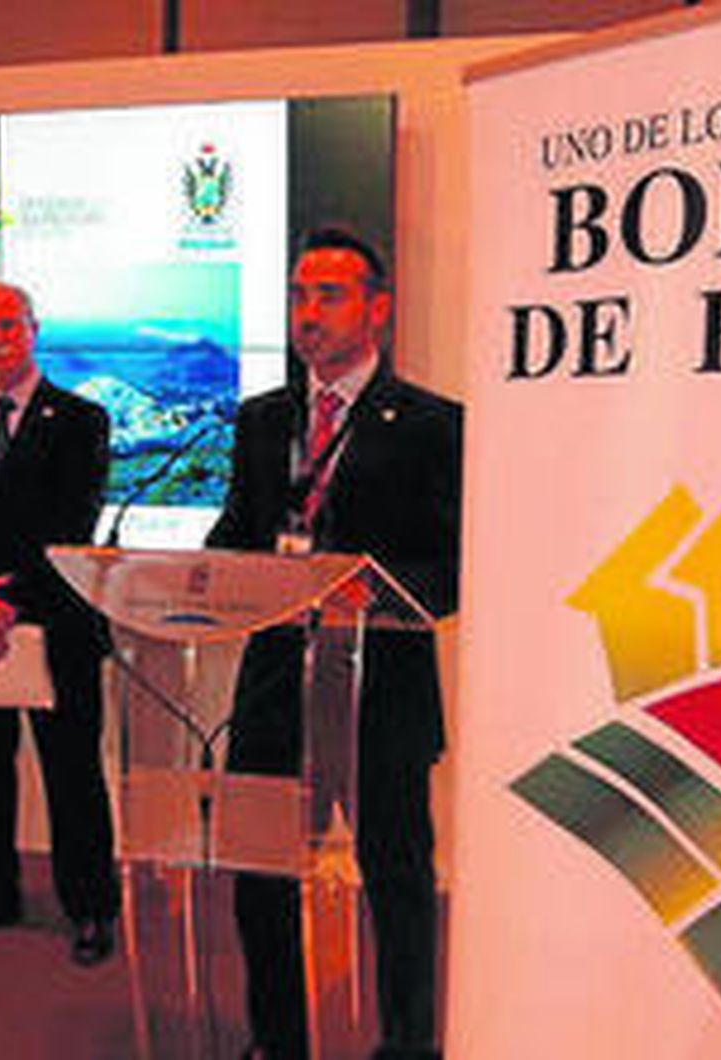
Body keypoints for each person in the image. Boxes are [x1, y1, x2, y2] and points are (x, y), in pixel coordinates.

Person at [208, 228, 462, 1060]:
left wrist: (373, 591)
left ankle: (407, 1043)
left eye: (329, 295)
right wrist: (201, 577)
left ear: (377, 309)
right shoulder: (262, 419)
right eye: (298, 295)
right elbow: (237, 534)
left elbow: (458, 565)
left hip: (380, 691)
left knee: (396, 879)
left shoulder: (432, 424)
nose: (308, 313)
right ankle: (278, 1038)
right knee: (261, 875)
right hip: (274, 689)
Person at [0, 280, 119, 966]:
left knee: (72, 775)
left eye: (9, 324)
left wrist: (4, 599)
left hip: (55, 623)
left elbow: (73, 523)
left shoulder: (82, 418)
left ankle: (91, 908)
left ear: (34, 329)